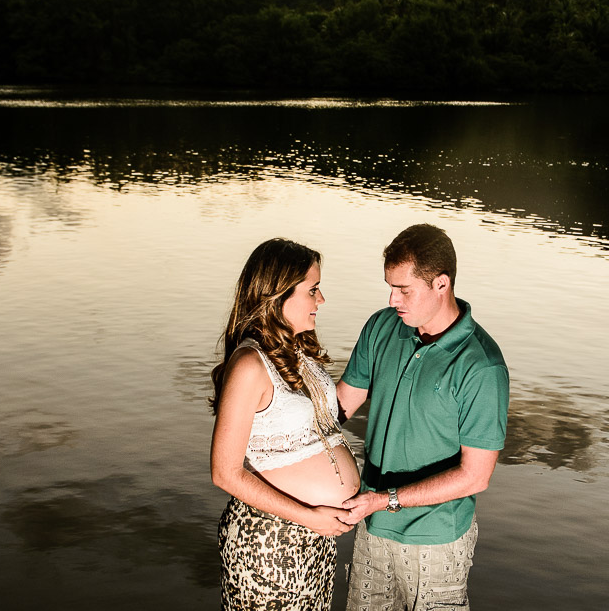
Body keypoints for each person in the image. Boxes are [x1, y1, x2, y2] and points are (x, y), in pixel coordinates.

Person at [336, 224, 509, 611]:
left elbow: (475, 476)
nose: (392, 299)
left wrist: (383, 501)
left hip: (437, 546)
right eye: (390, 286)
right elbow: (339, 408)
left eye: (404, 289)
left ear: (441, 284)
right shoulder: (382, 326)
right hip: (372, 529)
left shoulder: (481, 366)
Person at [210, 238, 360, 610]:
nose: (321, 300)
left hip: (315, 536)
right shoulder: (249, 365)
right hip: (269, 539)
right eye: (312, 290)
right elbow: (224, 473)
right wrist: (310, 516)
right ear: (278, 295)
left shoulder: (300, 351)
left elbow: (325, 421)